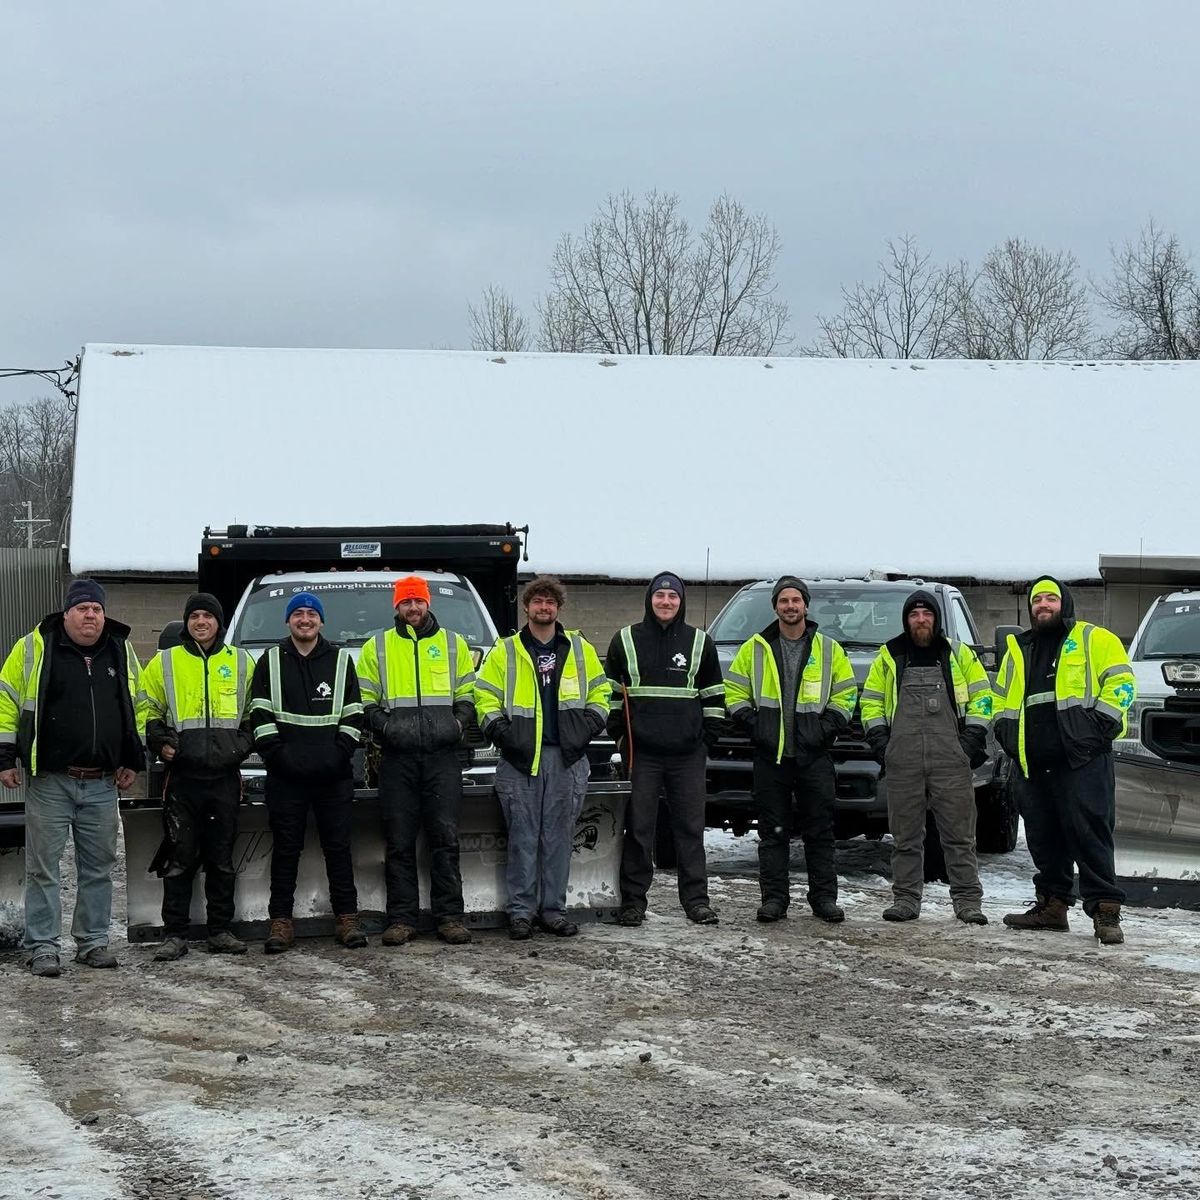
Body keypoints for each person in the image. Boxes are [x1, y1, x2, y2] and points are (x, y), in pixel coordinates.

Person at [0, 580, 144, 977]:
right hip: (50, 780)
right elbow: (5, 700)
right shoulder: (34, 647)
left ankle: (93, 942)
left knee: (98, 867)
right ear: (66, 614)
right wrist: (5, 756)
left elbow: (139, 706)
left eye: (96, 609)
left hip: (102, 782)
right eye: (82, 609)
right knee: (43, 868)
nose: (90, 616)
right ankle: (43, 947)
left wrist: (134, 756)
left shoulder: (121, 649)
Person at [996, 577, 1136, 945]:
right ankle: (1052, 908)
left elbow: (1122, 685)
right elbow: (1000, 698)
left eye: (1051, 598)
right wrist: (1004, 733)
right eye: (1037, 599)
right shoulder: (1019, 648)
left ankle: (1106, 912)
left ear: (1066, 603)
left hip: (1083, 759)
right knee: (1044, 838)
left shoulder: (1095, 639)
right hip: (1032, 761)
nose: (1043, 604)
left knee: (1090, 834)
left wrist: (1098, 729)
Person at [474, 576, 608, 939]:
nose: (544, 607)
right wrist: (502, 733)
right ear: (526, 606)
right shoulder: (505, 650)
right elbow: (483, 696)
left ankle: (553, 911)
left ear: (558, 608)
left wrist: (589, 727)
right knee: (522, 838)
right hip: (520, 761)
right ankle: (520, 913)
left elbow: (601, 692)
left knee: (559, 838)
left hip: (567, 760)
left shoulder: (579, 649)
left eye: (550, 602)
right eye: (537, 601)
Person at [725, 576, 857, 924]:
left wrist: (823, 729)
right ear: (775, 607)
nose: (790, 606)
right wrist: (758, 727)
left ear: (806, 605)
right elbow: (734, 693)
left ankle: (824, 899)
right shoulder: (754, 648)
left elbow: (846, 696)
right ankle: (774, 900)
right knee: (773, 832)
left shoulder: (829, 649)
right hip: (771, 756)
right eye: (784, 601)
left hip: (814, 756)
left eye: (796, 600)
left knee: (820, 832)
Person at [357, 575, 476, 947]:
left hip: (442, 758)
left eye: (418, 601)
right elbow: (364, 700)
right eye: (406, 602)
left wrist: (457, 724)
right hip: (397, 759)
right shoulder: (377, 647)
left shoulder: (453, 644)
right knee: (399, 841)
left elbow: (468, 694)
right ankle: (402, 919)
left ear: (428, 604)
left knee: (445, 838)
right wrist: (388, 728)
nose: (413, 608)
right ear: (397, 607)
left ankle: (450, 917)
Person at [860, 590, 991, 925]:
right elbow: (871, 703)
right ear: (906, 620)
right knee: (905, 838)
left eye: (927, 614)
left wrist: (969, 743)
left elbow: (983, 700)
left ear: (937, 619)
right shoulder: (889, 655)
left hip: (951, 759)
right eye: (914, 615)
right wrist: (882, 745)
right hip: (902, 759)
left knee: (960, 837)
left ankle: (967, 902)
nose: (921, 620)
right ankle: (905, 900)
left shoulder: (957, 654)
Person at [247, 591, 368, 953]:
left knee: (339, 848)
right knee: (286, 849)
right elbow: (260, 715)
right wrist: (280, 758)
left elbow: (354, 714)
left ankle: (347, 919)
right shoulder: (269, 661)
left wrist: (338, 755)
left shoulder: (342, 661)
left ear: (321, 622)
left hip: (334, 775)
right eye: (297, 614)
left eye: (311, 614)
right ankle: (281, 922)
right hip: (286, 776)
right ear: (288, 621)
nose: (304, 619)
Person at [605, 571, 724, 927]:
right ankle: (633, 903)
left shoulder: (700, 642)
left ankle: (696, 902)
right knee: (639, 829)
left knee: (689, 829)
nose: (666, 602)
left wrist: (706, 738)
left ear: (682, 601)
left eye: (673, 597)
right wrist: (620, 737)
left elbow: (715, 697)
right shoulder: (625, 639)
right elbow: (610, 694)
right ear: (650, 599)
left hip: (687, 755)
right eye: (660, 596)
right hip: (642, 754)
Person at [142, 593, 255, 960]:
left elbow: (256, 711)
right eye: (195, 616)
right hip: (182, 778)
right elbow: (146, 706)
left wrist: (240, 745)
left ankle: (220, 930)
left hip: (224, 778)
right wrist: (159, 741)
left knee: (221, 859)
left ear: (219, 622)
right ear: (186, 623)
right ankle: (174, 934)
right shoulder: (165, 662)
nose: (201, 622)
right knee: (180, 857)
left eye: (208, 615)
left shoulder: (240, 662)